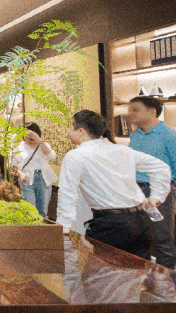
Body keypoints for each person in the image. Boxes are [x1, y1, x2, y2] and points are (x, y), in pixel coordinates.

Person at [57, 110, 170, 260]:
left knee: (104, 271)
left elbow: (67, 193)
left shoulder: (75, 156)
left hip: (111, 225)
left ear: (81, 131)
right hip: (140, 221)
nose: (68, 131)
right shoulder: (122, 150)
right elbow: (161, 168)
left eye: (70, 127)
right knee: (137, 270)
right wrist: (157, 196)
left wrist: (63, 227)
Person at [127, 96, 176, 269]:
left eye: (136, 110)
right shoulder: (134, 134)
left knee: (162, 239)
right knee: (139, 237)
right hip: (135, 191)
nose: (130, 114)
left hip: (158, 193)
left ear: (153, 112)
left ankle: (167, 281)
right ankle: (144, 277)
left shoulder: (169, 135)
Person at [11, 123, 57, 218]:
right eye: (27, 134)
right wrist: (20, 174)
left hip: (44, 179)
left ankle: (42, 227)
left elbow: (51, 156)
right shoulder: (18, 147)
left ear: (37, 134)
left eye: (32, 134)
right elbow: (13, 166)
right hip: (27, 179)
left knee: (42, 211)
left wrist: (39, 141)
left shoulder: (43, 145)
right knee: (30, 210)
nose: (30, 137)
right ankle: (32, 227)